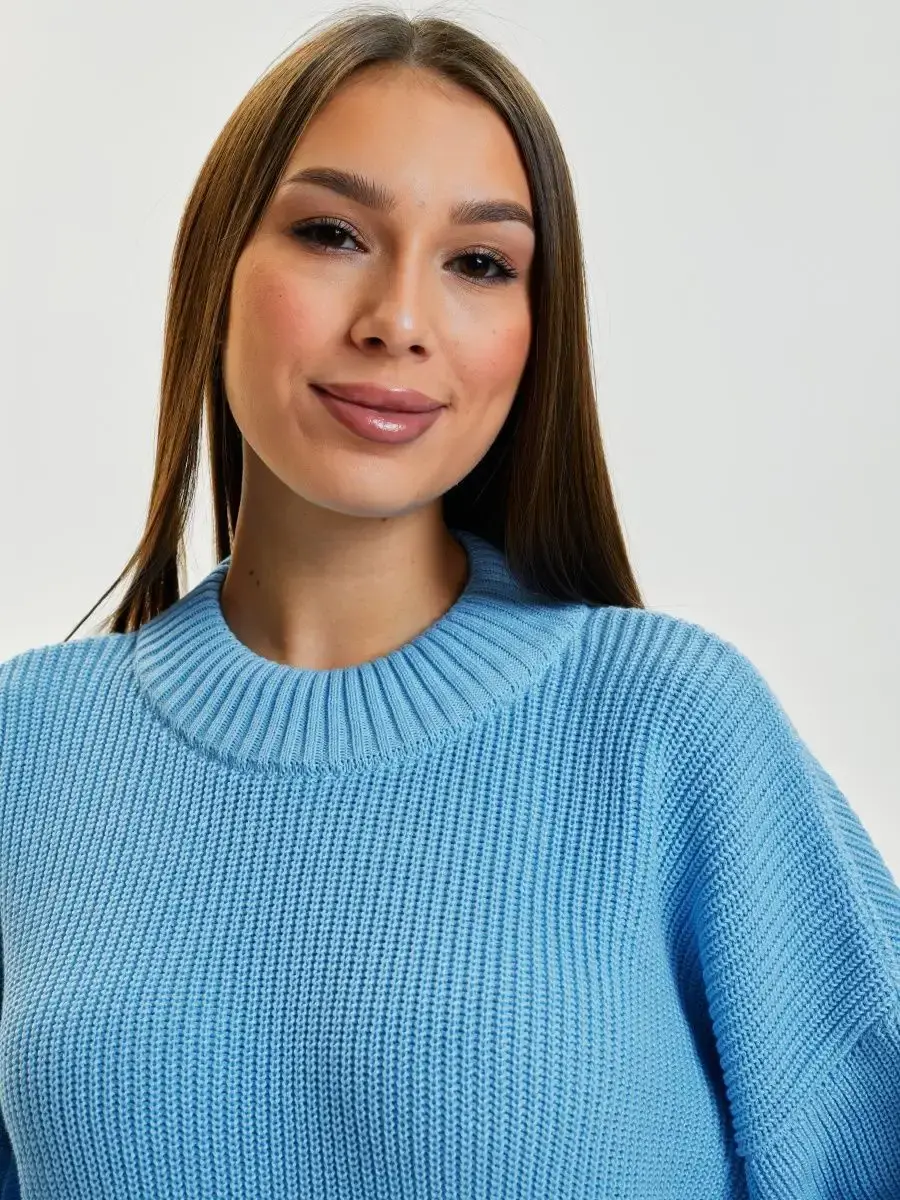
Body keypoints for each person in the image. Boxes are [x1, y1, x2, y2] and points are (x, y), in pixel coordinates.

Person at [1, 7, 897, 1198]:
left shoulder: (670, 729)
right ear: (217, 267)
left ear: (536, 327)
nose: (400, 322)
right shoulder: (26, 748)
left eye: (479, 263)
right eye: (331, 233)